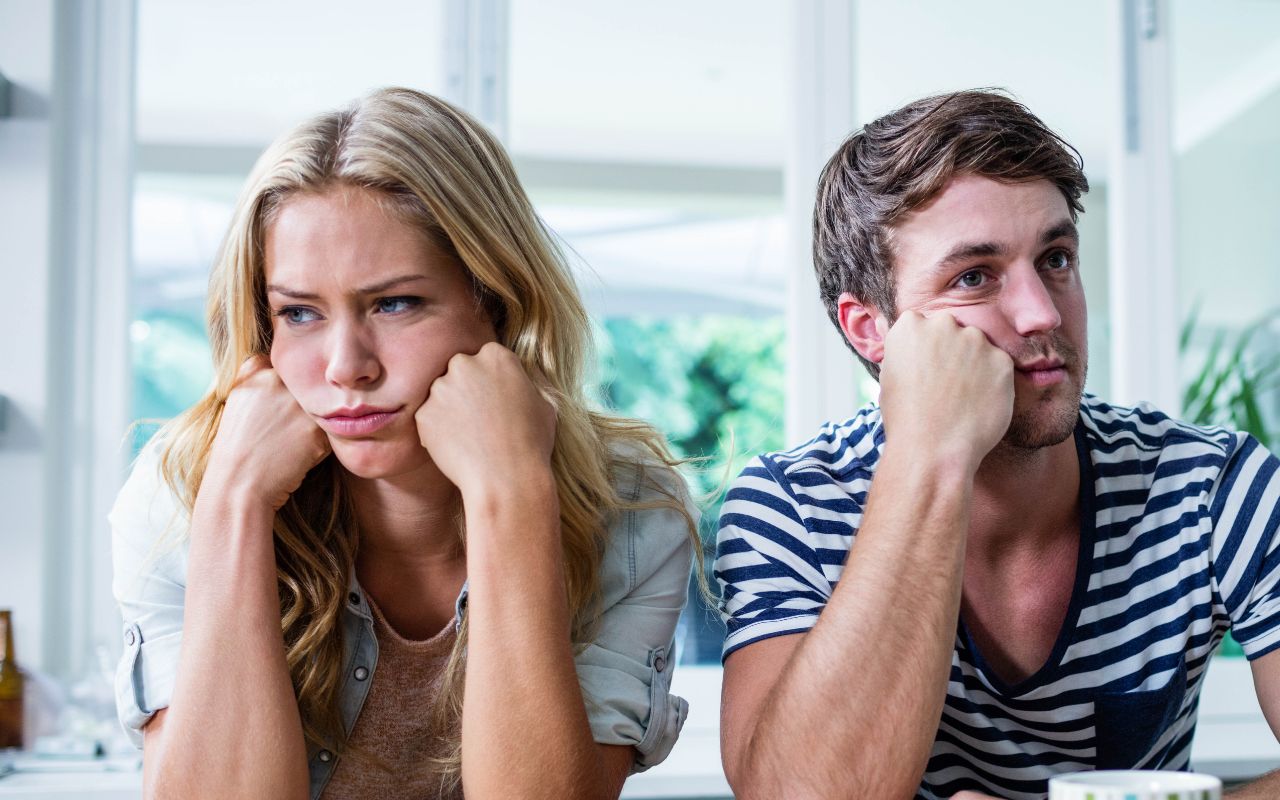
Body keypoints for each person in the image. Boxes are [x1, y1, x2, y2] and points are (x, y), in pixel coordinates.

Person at [111, 86, 698, 800]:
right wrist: (235, 504)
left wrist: (509, 495)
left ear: (499, 303)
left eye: (394, 303)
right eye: (298, 313)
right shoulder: (182, 491)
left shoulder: (630, 509)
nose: (344, 366)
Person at [715, 89, 1280, 800]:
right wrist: (930, 456)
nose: (1043, 312)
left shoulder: (1211, 483)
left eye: (1056, 258)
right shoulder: (793, 505)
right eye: (974, 277)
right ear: (870, 329)